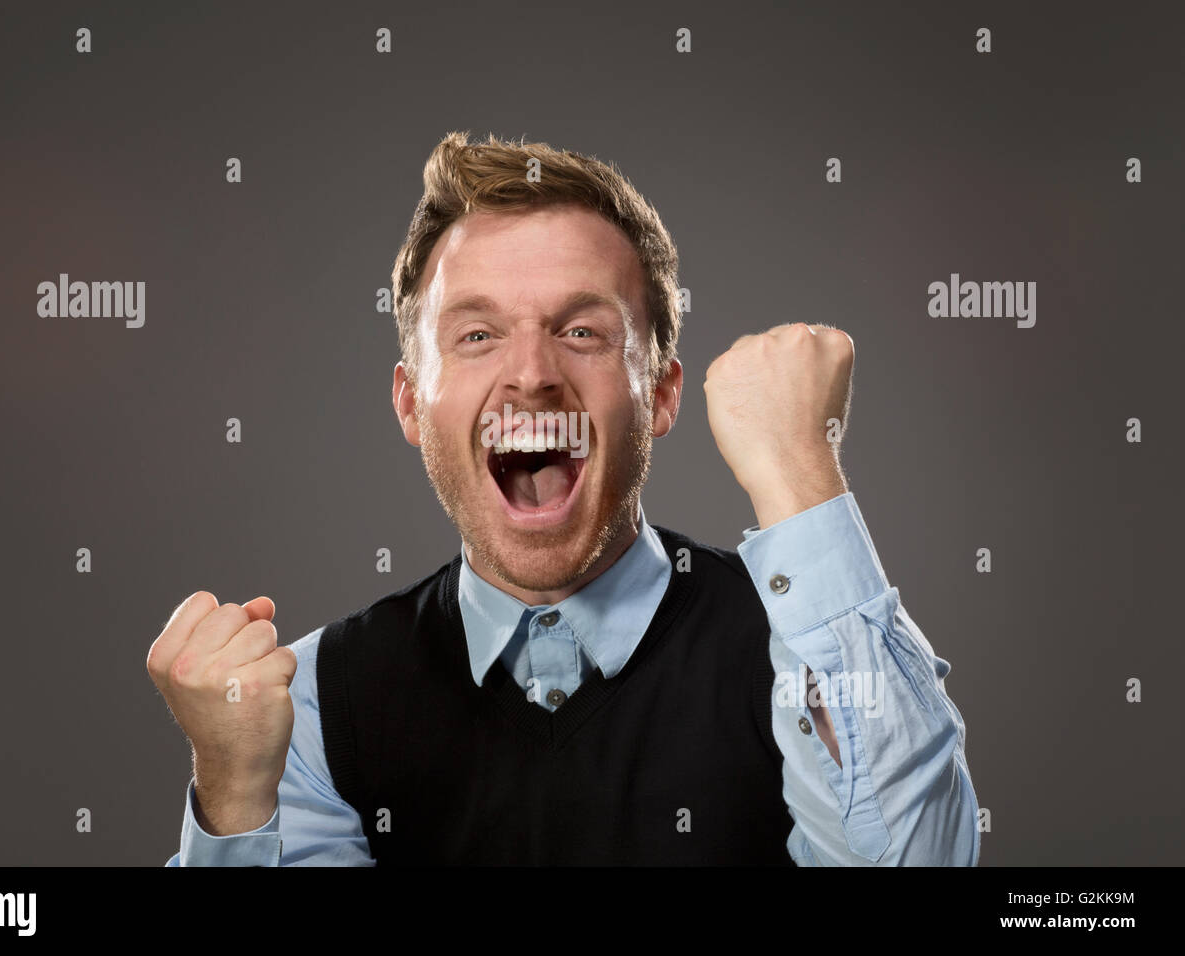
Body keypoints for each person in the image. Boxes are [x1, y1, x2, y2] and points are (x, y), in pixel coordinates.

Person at [148, 131, 979, 866]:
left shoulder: (799, 650)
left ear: (658, 394)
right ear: (409, 403)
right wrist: (233, 801)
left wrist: (801, 472)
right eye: (476, 334)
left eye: (582, 331)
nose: (533, 372)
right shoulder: (313, 705)